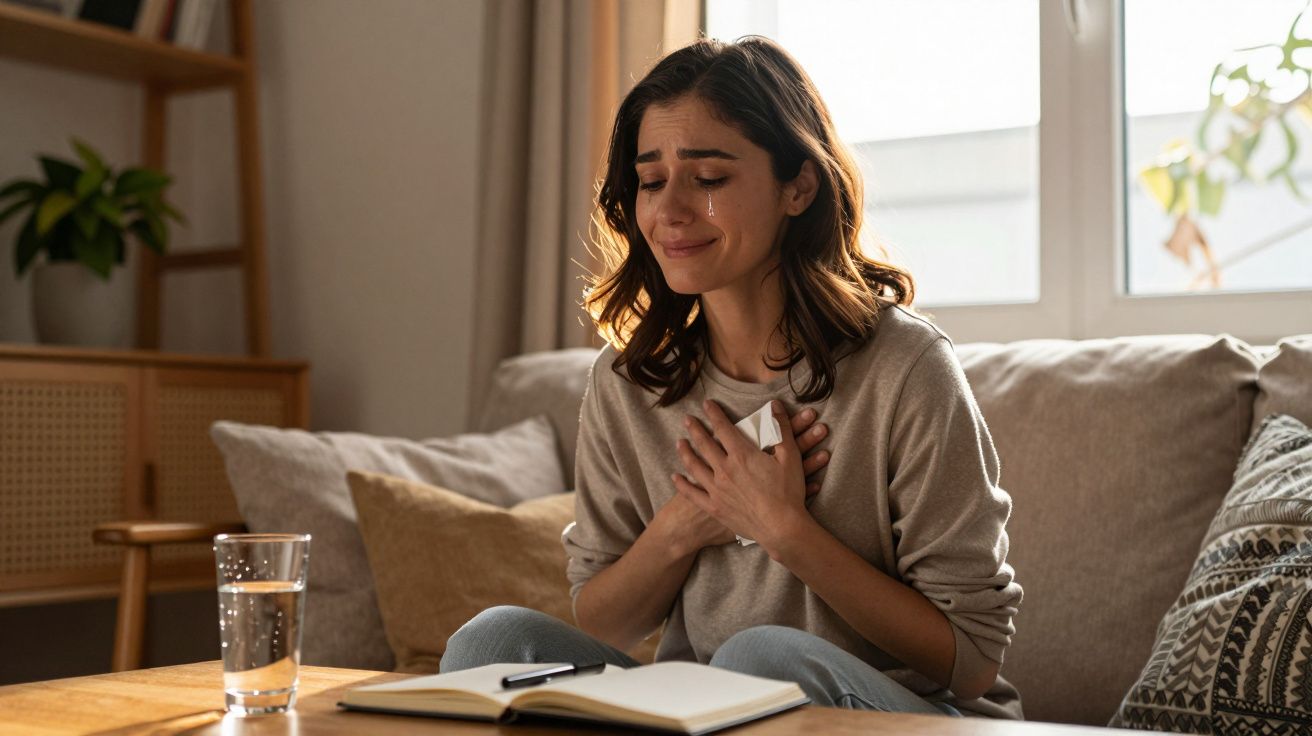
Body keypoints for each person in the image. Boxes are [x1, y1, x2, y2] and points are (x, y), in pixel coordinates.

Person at [441, 36, 1023, 720]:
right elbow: (604, 624)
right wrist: (684, 526)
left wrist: (783, 529)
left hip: (905, 715)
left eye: (708, 179)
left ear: (798, 186)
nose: (670, 211)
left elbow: (973, 660)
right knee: (492, 642)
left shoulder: (905, 368)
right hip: (702, 713)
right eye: (651, 182)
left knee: (758, 661)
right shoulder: (627, 384)